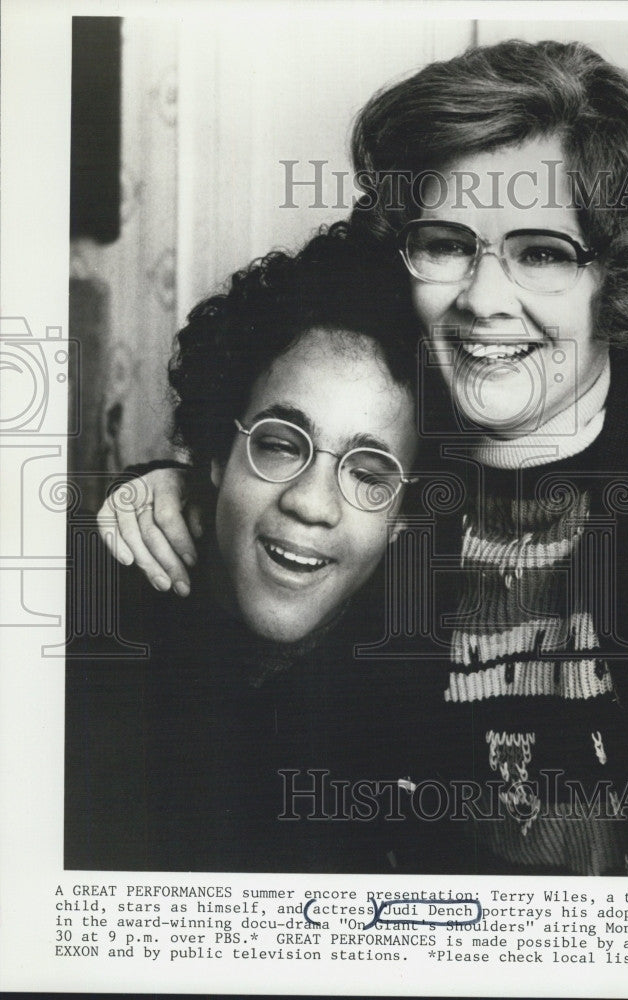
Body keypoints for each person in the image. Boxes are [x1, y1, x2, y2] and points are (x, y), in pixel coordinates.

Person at [97, 40, 628, 875]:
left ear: (620, 272)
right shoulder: (404, 452)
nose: (484, 301)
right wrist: (177, 488)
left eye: (541, 253)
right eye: (447, 243)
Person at [65, 225, 454, 873]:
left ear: (404, 518)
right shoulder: (91, 627)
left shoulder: (427, 680)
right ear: (216, 453)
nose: (311, 502)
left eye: (367, 473)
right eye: (278, 443)